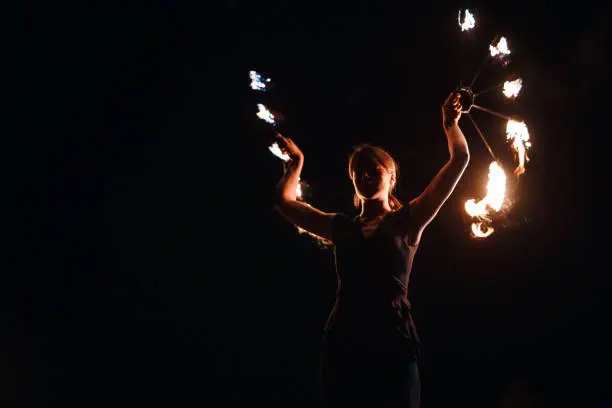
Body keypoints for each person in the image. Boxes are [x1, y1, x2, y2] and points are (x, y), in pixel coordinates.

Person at [274, 92, 469, 407]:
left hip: (395, 343)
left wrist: (450, 124)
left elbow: (459, 159)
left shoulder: (409, 220)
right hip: (345, 344)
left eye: (372, 168)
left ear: (391, 176)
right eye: (357, 171)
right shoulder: (341, 226)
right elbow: (284, 203)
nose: (363, 175)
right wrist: (295, 165)